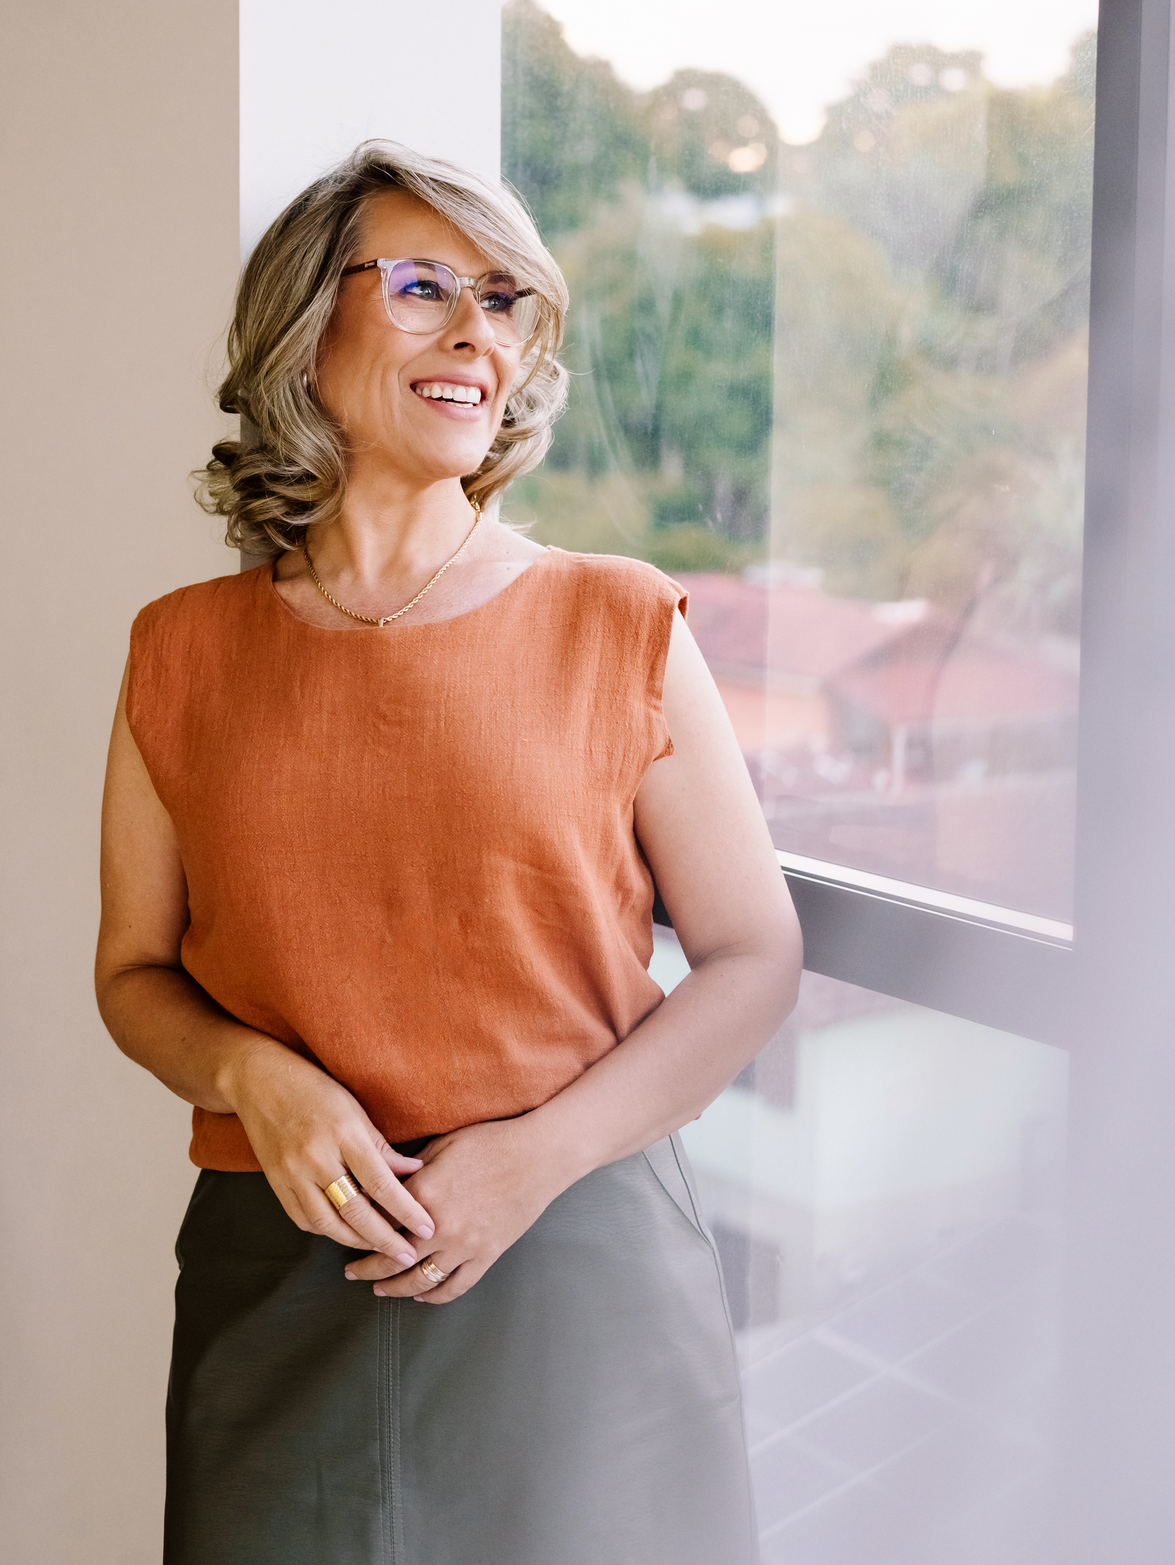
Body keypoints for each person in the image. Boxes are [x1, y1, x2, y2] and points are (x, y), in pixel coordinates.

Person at [95, 139, 802, 1565]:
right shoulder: (180, 650)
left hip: (577, 1263)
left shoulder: (617, 620)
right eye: (424, 287)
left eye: (505, 299)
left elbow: (752, 956)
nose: (477, 333)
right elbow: (133, 971)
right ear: (307, 328)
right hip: (274, 1267)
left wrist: (534, 1160)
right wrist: (254, 1076)